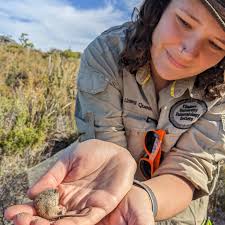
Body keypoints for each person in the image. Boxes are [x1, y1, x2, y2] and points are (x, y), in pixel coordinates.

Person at [5, 0, 225, 224]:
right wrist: (111, 188)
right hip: (96, 190)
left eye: (216, 45)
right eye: (184, 22)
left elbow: (190, 167)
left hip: (174, 203)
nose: (187, 51)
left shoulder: (220, 88)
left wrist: (145, 198)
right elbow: (105, 148)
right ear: (160, 8)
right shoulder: (106, 53)